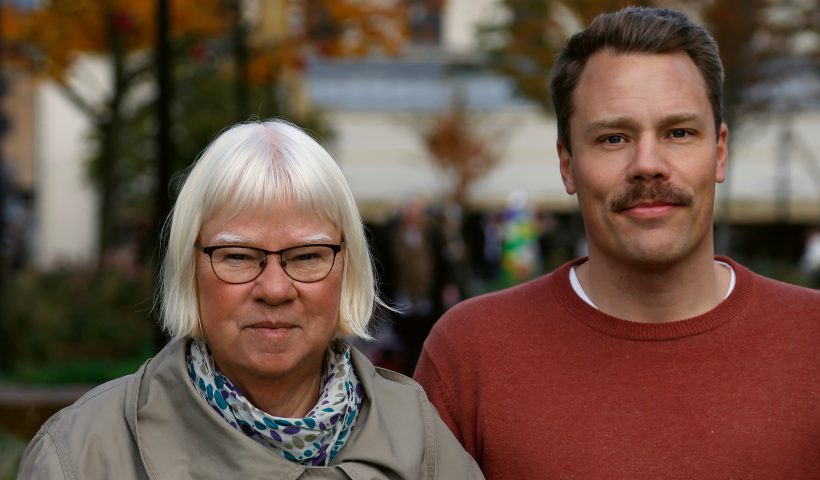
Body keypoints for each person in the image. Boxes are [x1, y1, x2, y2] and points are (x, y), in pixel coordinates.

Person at [414, 6, 820, 479]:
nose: (648, 163)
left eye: (678, 132)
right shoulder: (472, 355)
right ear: (567, 165)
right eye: (614, 138)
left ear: (718, 153)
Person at [18, 120, 484, 479]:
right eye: (239, 256)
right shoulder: (81, 455)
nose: (276, 289)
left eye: (306, 256)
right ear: (189, 268)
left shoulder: (423, 443)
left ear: (348, 270)